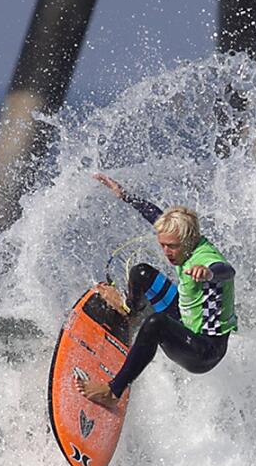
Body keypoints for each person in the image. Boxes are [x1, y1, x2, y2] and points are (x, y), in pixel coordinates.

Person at [76, 173, 238, 407]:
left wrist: (209, 274)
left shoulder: (206, 258)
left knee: (156, 323)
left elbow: (227, 271)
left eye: (172, 247)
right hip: (186, 319)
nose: (167, 252)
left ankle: (113, 392)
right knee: (141, 273)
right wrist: (124, 195)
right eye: (163, 245)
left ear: (189, 240)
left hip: (204, 349)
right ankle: (129, 313)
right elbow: (154, 214)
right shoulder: (183, 237)